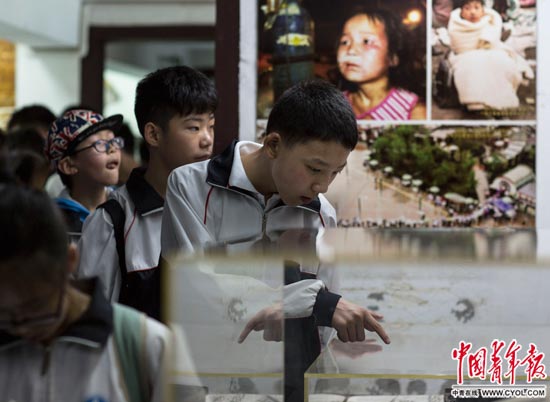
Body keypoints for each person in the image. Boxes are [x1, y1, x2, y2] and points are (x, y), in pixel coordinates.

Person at [160, 80, 390, 401]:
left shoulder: (321, 213)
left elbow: (323, 321)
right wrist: (313, 301)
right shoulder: (191, 187)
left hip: (280, 386)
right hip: (205, 380)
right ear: (273, 145)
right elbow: (200, 284)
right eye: (315, 168)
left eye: (335, 172)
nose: (322, 186)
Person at [0, 184, 169, 402]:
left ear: (69, 261)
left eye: (36, 307)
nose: (22, 328)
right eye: (5, 315)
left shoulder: (145, 346)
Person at [77, 66, 216, 319]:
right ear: (153, 134)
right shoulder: (112, 222)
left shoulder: (218, 206)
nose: (207, 139)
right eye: (194, 128)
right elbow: (94, 318)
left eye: (211, 126)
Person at [45, 109, 124, 240]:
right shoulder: (52, 222)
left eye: (113, 141)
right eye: (100, 143)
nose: (112, 149)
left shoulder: (126, 208)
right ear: (68, 166)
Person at [336, 7, 426, 120]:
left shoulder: (414, 112)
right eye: (344, 42)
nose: (351, 50)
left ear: (393, 58)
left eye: (366, 41)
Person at [447, 0, 533, 111]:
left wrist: (487, 44)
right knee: (471, 66)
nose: (472, 12)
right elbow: (459, 46)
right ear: (461, 12)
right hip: (466, 54)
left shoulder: (491, 22)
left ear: (483, 10)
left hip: (490, 51)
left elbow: (493, 42)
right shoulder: (456, 26)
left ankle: (503, 99)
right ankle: (477, 101)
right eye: (467, 8)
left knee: (502, 62)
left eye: (476, 8)